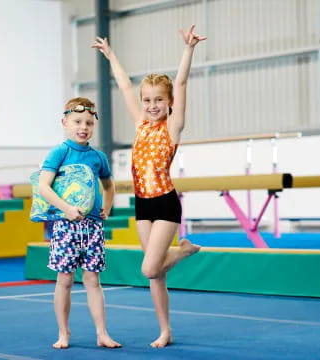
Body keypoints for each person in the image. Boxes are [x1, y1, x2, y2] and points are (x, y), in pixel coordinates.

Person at [91, 25, 206, 348]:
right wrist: (111, 56)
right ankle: (165, 330)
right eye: (147, 100)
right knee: (156, 276)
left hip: (166, 203)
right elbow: (125, 86)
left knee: (149, 268)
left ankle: (183, 250)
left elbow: (181, 82)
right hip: (143, 205)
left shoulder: (172, 128)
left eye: (158, 100)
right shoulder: (140, 122)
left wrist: (188, 50)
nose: (152, 105)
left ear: (169, 102)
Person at [38, 97, 121, 349]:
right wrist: (66, 209)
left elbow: (109, 185)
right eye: (77, 122)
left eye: (88, 122)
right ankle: (64, 333)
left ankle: (102, 333)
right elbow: (43, 186)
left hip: (92, 226)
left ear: (94, 124)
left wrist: (106, 207)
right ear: (65, 122)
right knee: (64, 279)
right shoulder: (60, 151)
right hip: (65, 225)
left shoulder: (98, 157)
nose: (83, 127)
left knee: (93, 280)